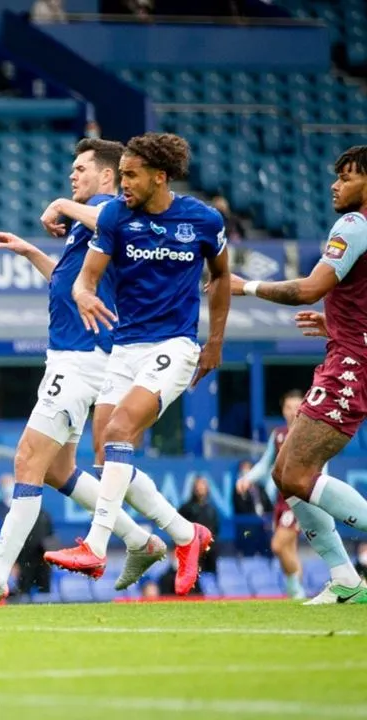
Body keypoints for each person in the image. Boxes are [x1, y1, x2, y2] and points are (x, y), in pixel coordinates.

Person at [0, 139, 169, 604]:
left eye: (81, 169)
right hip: (71, 354)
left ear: (108, 176)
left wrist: (63, 204)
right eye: (71, 171)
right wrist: (30, 251)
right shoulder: (88, 223)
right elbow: (69, 281)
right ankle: (139, 540)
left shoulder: (110, 211)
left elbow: (114, 223)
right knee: (58, 469)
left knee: (27, 458)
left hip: (82, 355)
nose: (73, 176)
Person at [44, 132, 229, 596]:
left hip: (176, 346)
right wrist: (84, 295)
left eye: (130, 175)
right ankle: (186, 535)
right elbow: (87, 278)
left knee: (121, 431)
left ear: (159, 177)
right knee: (107, 456)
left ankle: (96, 545)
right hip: (125, 347)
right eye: (121, 173)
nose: (122, 183)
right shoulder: (115, 218)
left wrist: (216, 342)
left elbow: (222, 277)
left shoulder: (203, 220)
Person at [229, 144, 367, 605]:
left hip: (349, 366)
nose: (335, 184)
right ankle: (346, 579)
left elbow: (309, 288)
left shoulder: (354, 225)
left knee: (295, 473)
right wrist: (340, 324)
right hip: (346, 354)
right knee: (289, 475)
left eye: (347, 177)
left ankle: (346, 577)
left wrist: (244, 285)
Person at [237, 390, 311, 599]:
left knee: (277, 545)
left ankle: (296, 589)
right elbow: (265, 464)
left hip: (301, 500)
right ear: (283, 410)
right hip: (282, 500)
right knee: (290, 548)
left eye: (297, 407)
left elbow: (322, 468)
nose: (293, 412)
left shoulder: (311, 435)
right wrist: (247, 479)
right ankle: (296, 593)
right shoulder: (278, 435)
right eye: (288, 407)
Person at [0, 474, 55, 597]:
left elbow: (49, 534)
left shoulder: (41, 512)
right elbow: (1, 537)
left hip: (41, 558)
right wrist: (10, 562)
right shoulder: (1, 511)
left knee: (45, 593)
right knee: (23, 593)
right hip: (21, 558)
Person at [177, 475, 219, 584]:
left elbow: (216, 529)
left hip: (209, 553)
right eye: (199, 485)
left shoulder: (211, 509)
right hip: (191, 552)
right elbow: (179, 528)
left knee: (210, 580)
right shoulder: (186, 508)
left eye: (203, 485)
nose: (201, 488)